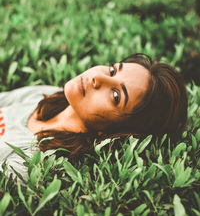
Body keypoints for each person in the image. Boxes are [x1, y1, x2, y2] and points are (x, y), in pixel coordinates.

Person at [0, 53, 187, 179]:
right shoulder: (49, 96)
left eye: (116, 96)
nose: (97, 78)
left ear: (117, 132)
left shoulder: (32, 162)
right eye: (113, 70)